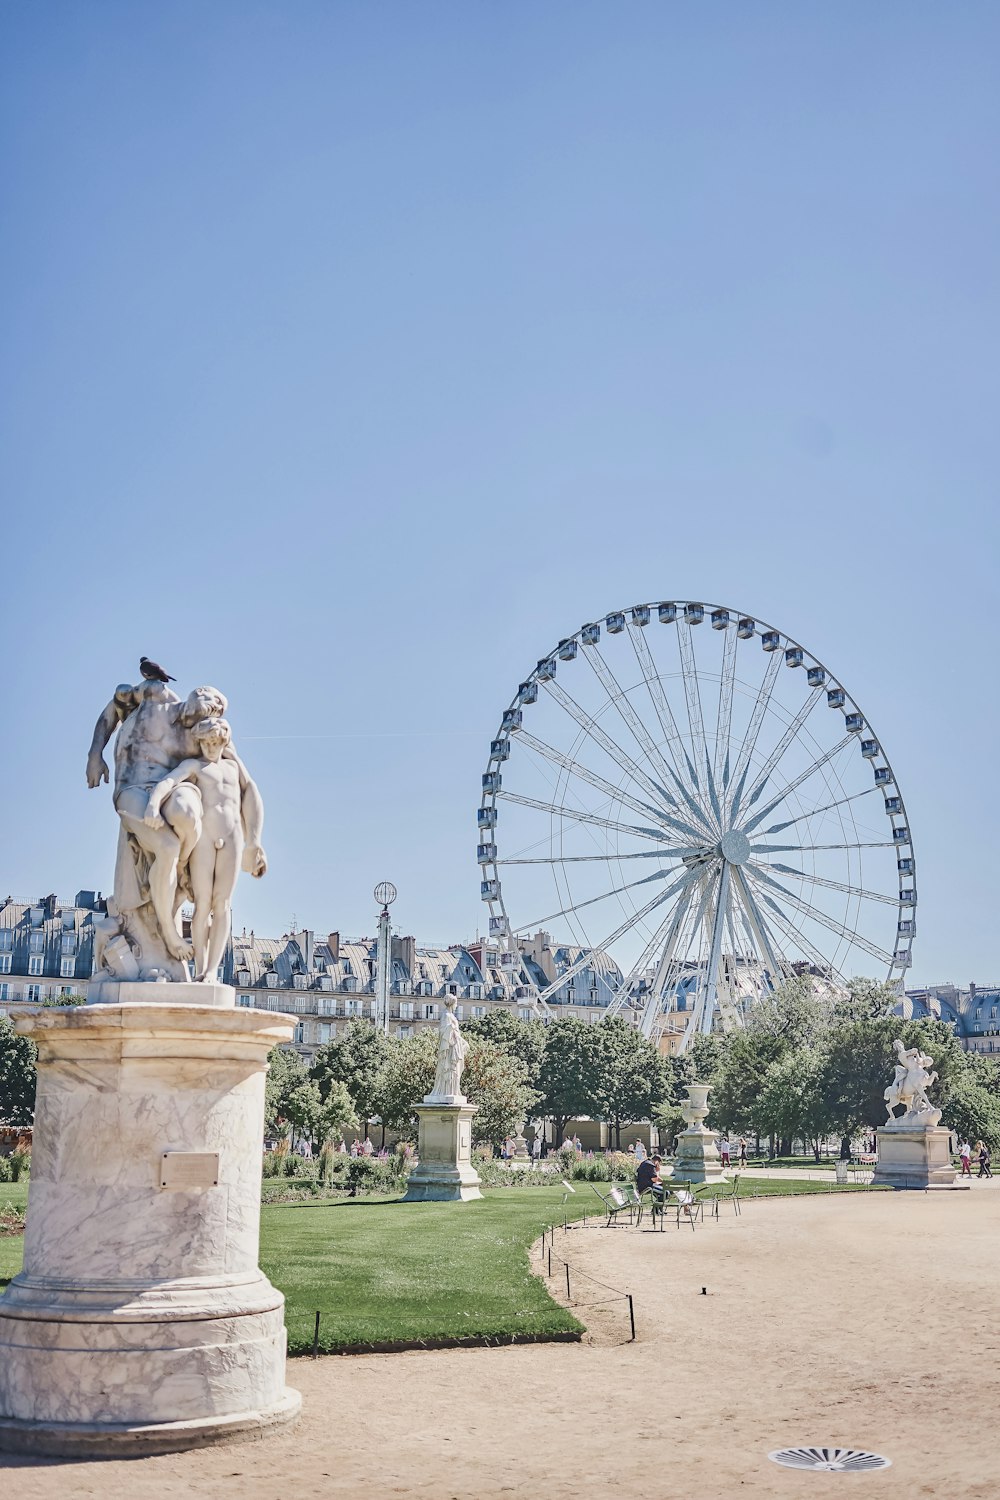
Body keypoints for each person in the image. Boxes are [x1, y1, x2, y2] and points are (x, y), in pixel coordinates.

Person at [145, 718, 266, 982]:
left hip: (232, 836)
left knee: (222, 904)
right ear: (199, 742)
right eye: (207, 742)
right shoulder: (194, 766)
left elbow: (251, 795)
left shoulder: (234, 767)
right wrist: (153, 805)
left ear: (224, 741)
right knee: (203, 904)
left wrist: (254, 841)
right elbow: (167, 782)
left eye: (216, 742)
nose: (211, 747)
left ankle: (212, 970)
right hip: (204, 839)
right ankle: (201, 969)